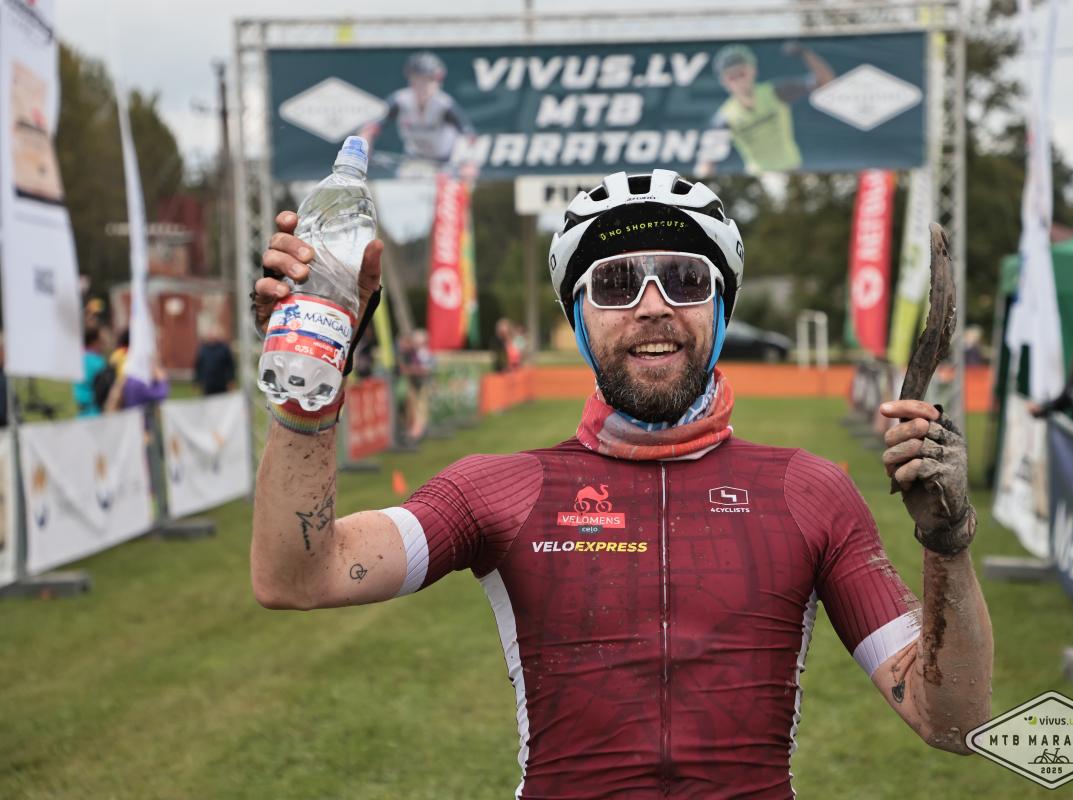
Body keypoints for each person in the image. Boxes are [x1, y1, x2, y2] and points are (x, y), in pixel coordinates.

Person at [250, 170, 991, 796]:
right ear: (579, 318)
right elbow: (298, 575)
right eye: (614, 282)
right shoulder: (499, 490)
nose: (652, 304)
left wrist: (948, 541)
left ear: (720, 308)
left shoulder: (809, 491)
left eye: (685, 278)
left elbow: (952, 720)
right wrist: (309, 383)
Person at [696, 43, 835, 176]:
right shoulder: (725, 118)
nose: (739, 81)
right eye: (732, 77)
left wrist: (806, 53)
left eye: (741, 73)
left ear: (752, 70)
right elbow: (706, 163)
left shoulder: (775, 93)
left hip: (792, 171)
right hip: (760, 177)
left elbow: (825, 81)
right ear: (724, 82)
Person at [358, 51, 476, 174]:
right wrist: (364, 148)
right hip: (415, 159)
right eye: (418, 80)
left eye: (429, 80)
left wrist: (468, 162)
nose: (424, 86)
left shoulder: (444, 104)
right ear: (411, 80)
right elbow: (371, 127)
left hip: (444, 162)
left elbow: (469, 134)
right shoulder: (400, 100)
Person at [398, 328, 435, 443]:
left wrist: (411, 370)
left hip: (422, 384)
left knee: (420, 409)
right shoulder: (415, 353)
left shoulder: (424, 353)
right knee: (415, 408)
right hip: (416, 383)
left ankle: (417, 432)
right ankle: (415, 431)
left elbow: (426, 369)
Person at [74, 325, 111, 416]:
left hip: (82, 414)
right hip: (96, 413)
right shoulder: (98, 363)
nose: (104, 344)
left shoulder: (78, 358)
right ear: (94, 342)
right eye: (101, 341)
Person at [193, 324, 236, 396]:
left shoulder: (224, 349)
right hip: (208, 385)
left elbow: (230, 367)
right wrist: (196, 381)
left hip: (222, 385)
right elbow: (198, 366)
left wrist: (231, 381)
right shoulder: (203, 349)